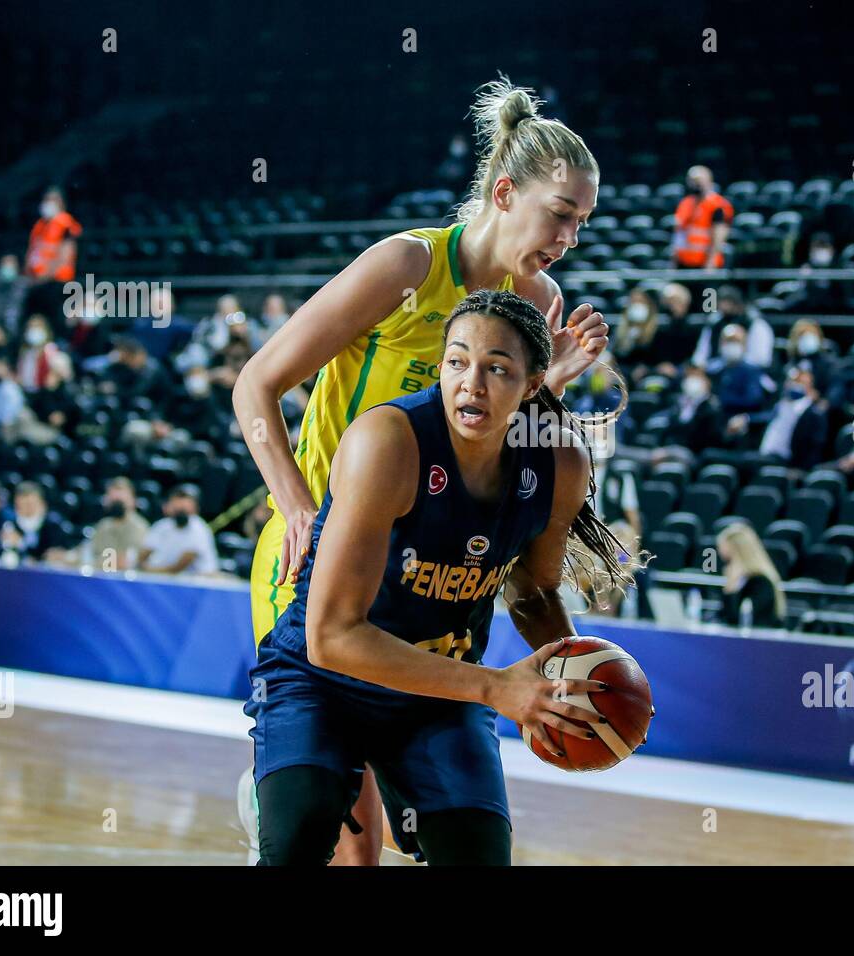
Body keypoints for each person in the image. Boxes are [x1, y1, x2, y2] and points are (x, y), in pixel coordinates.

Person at [232, 77, 608, 866]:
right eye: (561, 215)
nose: (570, 236)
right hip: (329, 545)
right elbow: (257, 384)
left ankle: (302, 788)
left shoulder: (538, 297)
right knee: (350, 839)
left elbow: (504, 419)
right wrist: (298, 507)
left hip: (429, 551)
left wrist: (555, 389)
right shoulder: (405, 263)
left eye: (582, 222)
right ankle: (292, 785)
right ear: (505, 193)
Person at [243, 290, 637, 865]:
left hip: (434, 692)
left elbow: (532, 589)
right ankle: (282, 796)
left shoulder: (559, 462)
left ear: (533, 386)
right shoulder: (387, 442)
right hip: (322, 680)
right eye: (457, 361)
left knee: (477, 856)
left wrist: (571, 674)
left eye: (497, 368)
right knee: (300, 835)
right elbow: (331, 640)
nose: (471, 383)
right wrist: (497, 688)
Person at [23, 187, 82, 324]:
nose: (48, 203)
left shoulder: (65, 224)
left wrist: (45, 276)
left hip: (56, 283)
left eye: (53, 200)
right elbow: (31, 252)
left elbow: (66, 255)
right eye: (46, 199)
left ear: (62, 203)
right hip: (35, 282)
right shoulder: (40, 225)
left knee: (54, 322)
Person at [716, 523, 785, 628]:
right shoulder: (739, 581)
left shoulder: (761, 583)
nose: (726, 567)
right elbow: (723, 616)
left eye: (729, 560)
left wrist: (731, 590)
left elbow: (739, 621)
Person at [138, 485, 218, 576]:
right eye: (177, 506)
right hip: (164, 578)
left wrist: (147, 570)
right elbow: (143, 554)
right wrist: (141, 566)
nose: (180, 509)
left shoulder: (199, 528)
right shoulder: (162, 526)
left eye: (184, 508)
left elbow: (178, 568)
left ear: (195, 508)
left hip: (198, 581)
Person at [672, 165, 733, 269]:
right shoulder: (685, 203)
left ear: (709, 181)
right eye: (692, 180)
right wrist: (674, 260)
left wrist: (710, 263)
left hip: (706, 265)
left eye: (699, 180)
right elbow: (679, 233)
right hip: (684, 263)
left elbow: (719, 235)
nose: (696, 184)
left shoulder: (717, 205)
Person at [89, 477, 151, 572]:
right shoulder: (103, 525)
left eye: (120, 501)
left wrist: (94, 563)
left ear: (132, 501)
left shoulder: (139, 527)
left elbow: (123, 562)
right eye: (113, 500)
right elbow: (88, 552)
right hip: (100, 577)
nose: (116, 505)